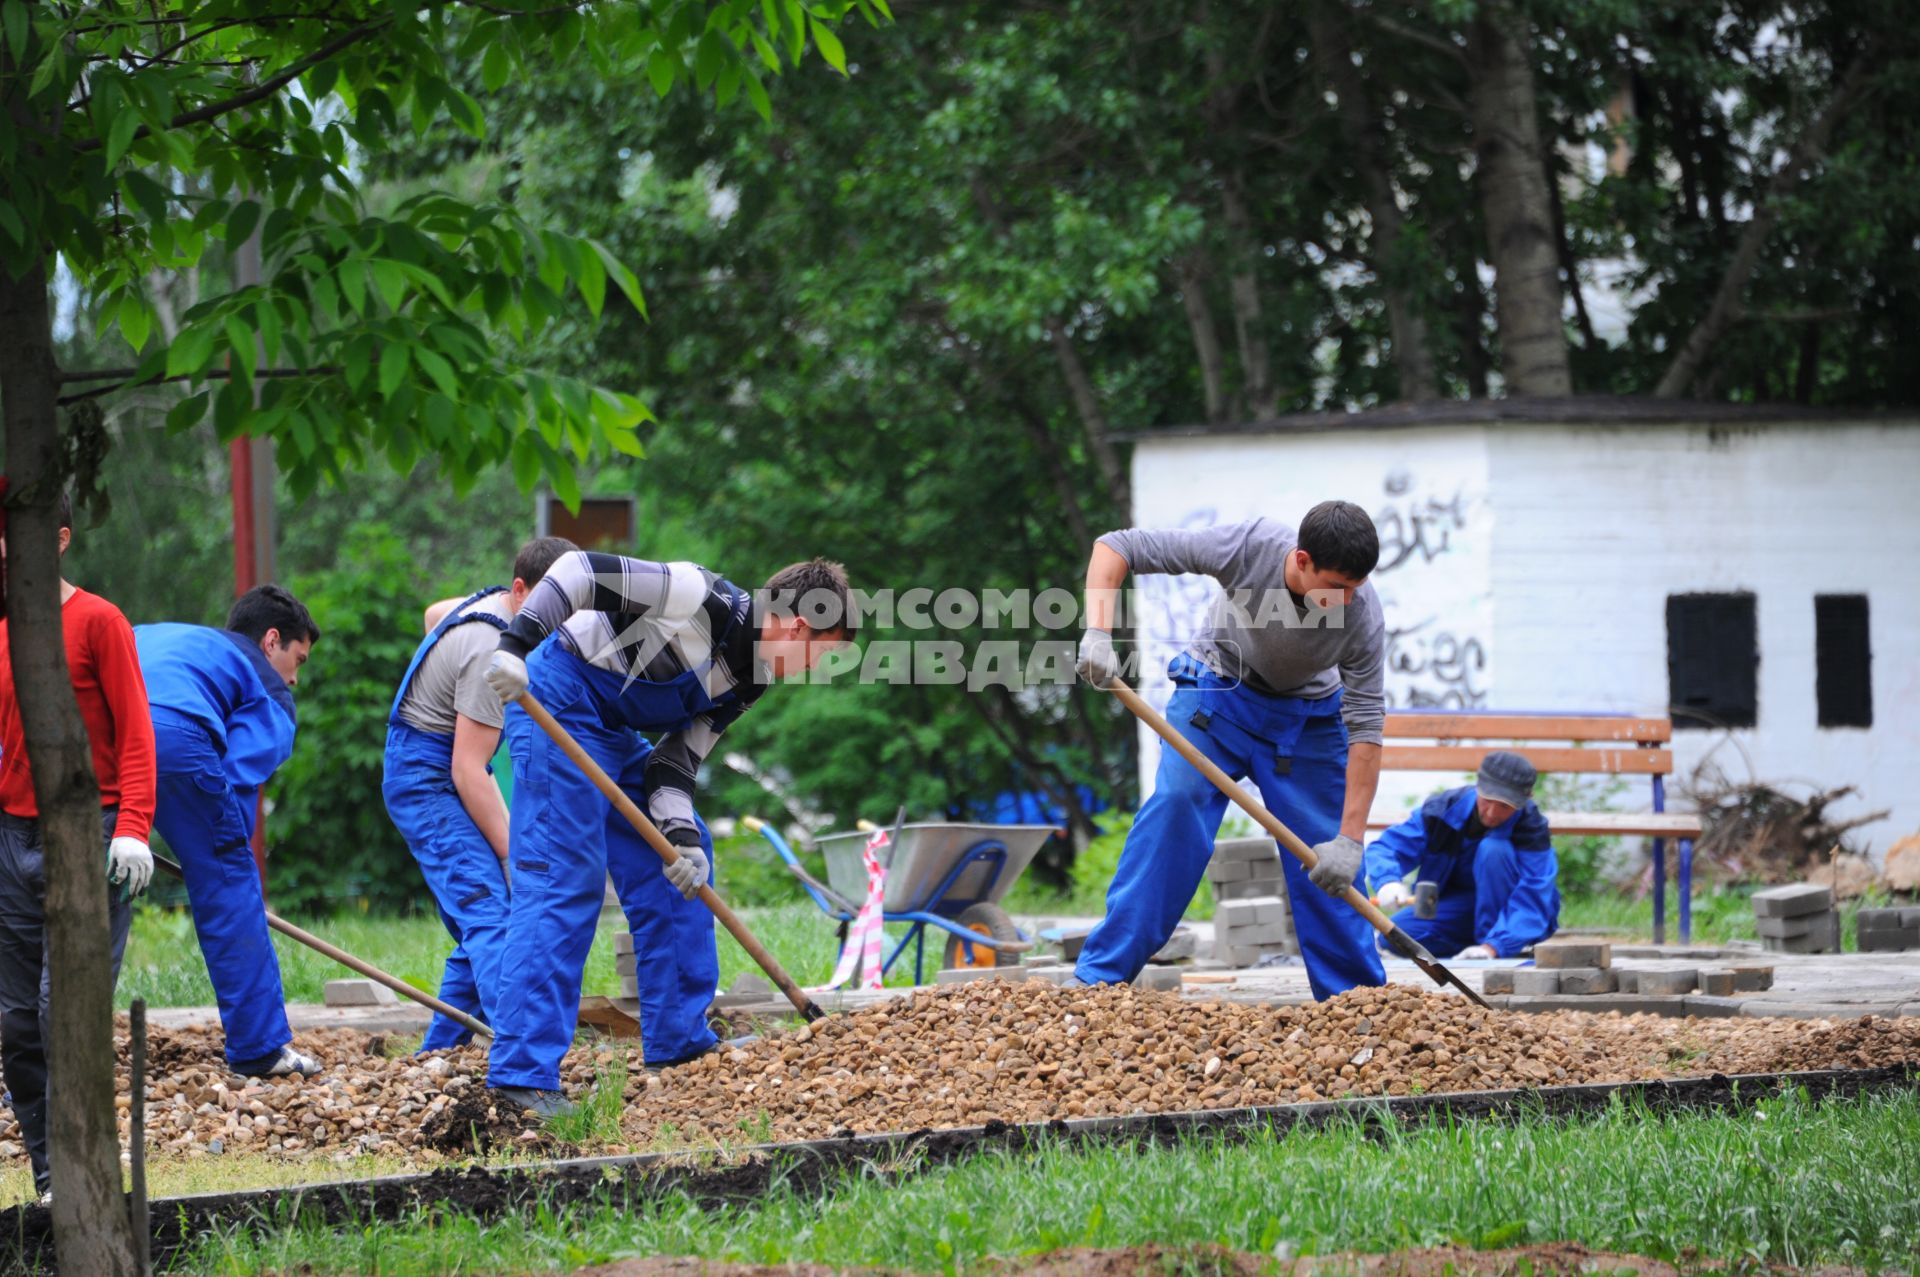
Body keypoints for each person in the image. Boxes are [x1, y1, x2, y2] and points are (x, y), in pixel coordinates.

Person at [479, 552, 855, 1114]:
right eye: (821, 654)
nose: (814, 669)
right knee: (565, 880)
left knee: (684, 867)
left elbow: (673, 765)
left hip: (613, 731)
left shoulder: (752, 678)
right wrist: (513, 649)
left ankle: (679, 1043)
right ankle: (521, 1078)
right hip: (556, 697)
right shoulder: (695, 596)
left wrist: (678, 841)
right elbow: (577, 571)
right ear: (799, 626)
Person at [1072, 502, 1389, 1000]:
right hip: (1217, 695)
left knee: (1328, 860)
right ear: (1302, 561)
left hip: (1307, 722)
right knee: (1176, 808)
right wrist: (1097, 631)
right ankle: (1099, 982)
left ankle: (1358, 1003)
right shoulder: (1248, 548)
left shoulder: (1362, 612)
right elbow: (1118, 546)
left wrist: (1350, 839)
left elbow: (1367, 725)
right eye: (1337, 588)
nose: (1348, 601)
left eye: (1357, 587)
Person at [0, 487, 156, 1200]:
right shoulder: (4, 631)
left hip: (90, 834)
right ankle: (47, 1171)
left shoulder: (99, 621)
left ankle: (82, 1167)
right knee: (15, 1021)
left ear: (56, 539)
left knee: (60, 1008)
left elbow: (136, 734)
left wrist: (132, 826)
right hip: (11, 835)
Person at [383, 536, 576, 1050]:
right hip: (426, 780)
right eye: (552, 605)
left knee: (486, 917)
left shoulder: (487, 606)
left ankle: (439, 1052)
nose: (560, 622)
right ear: (520, 590)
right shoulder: (495, 651)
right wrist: (516, 855)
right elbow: (469, 770)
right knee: (492, 914)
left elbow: (435, 612)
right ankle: (521, 1051)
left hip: (435, 764)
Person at [136, 585, 322, 1077]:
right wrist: (228, 866)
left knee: (85, 894)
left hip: (97, 736)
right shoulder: (268, 685)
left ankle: (46, 1061)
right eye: (298, 659)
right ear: (271, 641)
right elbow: (238, 776)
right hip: (174, 735)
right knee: (228, 882)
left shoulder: (158, 635)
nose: (296, 679)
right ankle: (260, 1049)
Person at [1364, 751, 1559, 959]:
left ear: (1525, 799)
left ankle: (1500, 944)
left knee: (1493, 849)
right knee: (1393, 938)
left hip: (1512, 911)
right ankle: (1472, 948)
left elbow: (1534, 895)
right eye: (1487, 800)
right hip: (1457, 907)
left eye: (1504, 806)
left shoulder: (1532, 828)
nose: (1492, 813)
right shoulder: (1441, 810)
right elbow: (1386, 848)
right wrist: (1387, 881)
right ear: (1478, 786)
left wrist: (1494, 947)